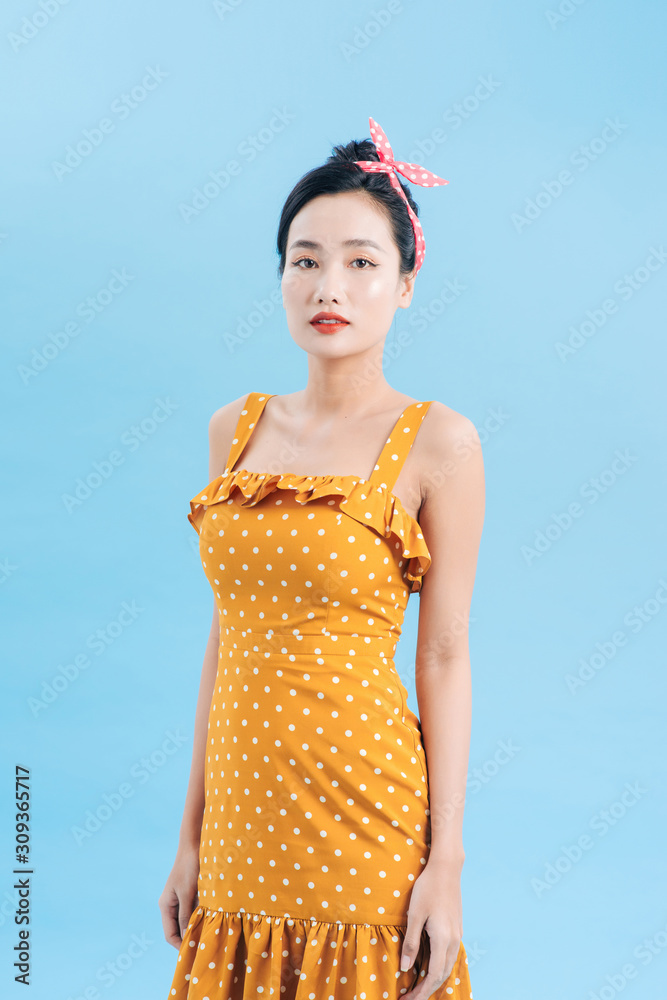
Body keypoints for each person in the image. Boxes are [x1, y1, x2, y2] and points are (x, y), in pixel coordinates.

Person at [159, 117, 484, 999]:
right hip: (240, 823)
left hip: (363, 813)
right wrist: (189, 836)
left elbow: (445, 654)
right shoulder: (235, 429)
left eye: (360, 262)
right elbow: (225, 635)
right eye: (303, 260)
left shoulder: (438, 443)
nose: (327, 285)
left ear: (406, 284)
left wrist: (444, 861)